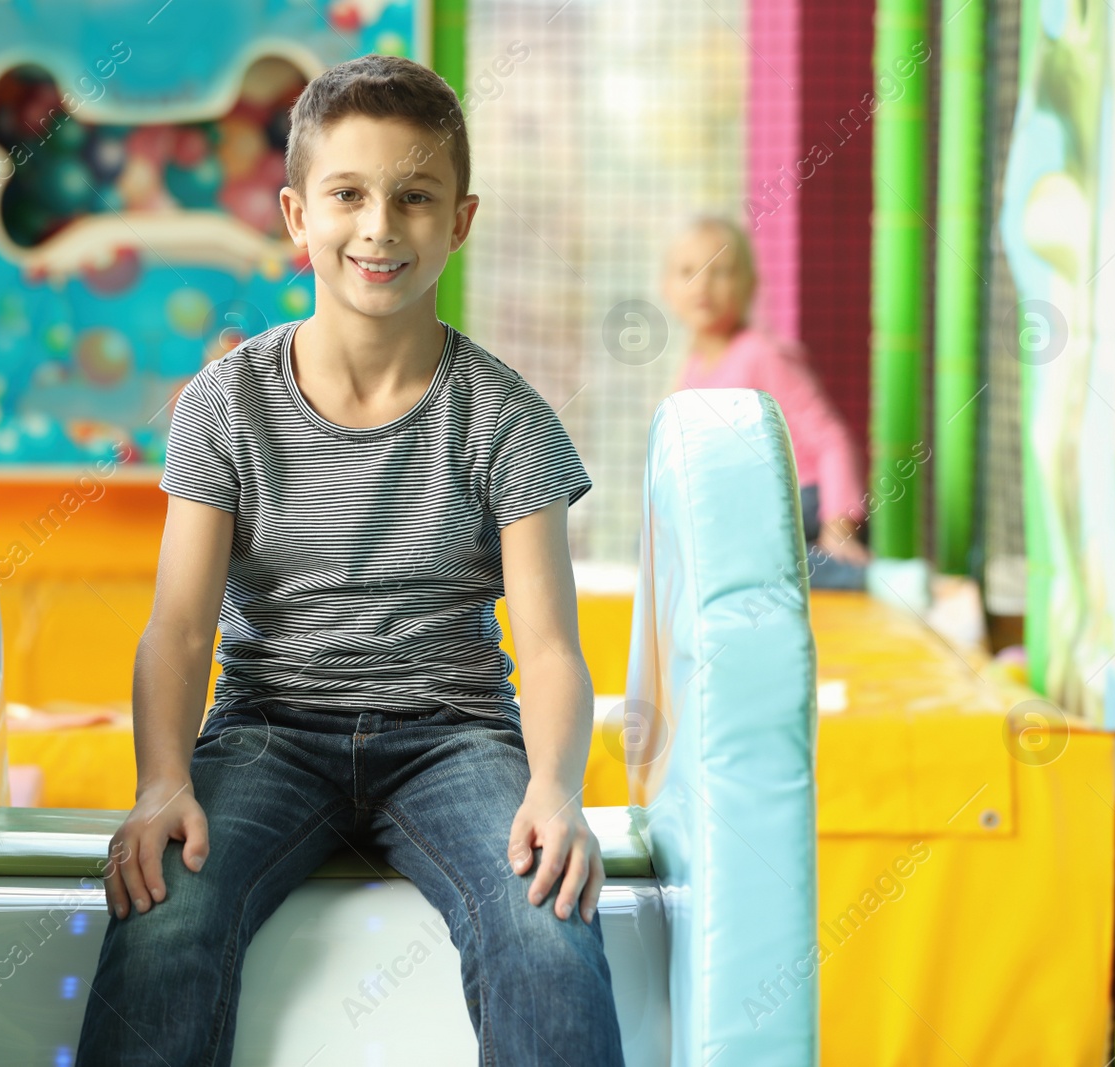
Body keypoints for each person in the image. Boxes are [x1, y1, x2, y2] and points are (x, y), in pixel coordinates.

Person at [76, 55, 625, 1066]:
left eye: (413, 198)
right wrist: (162, 780)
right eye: (348, 195)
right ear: (296, 216)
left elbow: (547, 647)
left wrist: (554, 787)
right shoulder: (224, 403)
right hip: (269, 731)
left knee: (545, 924)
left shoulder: (505, 418)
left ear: (457, 221)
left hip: (452, 735)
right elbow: (182, 625)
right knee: (164, 913)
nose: (379, 226)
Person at [663, 215, 871, 588]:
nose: (704, 284)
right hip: (752, 509)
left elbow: (830, 438)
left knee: (732, 554)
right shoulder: (692, 369)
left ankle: (871, 578)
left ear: (750, 285)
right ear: (667, 288)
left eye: (722, 272)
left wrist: (838, 526)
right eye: (687, 271)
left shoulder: (762, 355)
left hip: (802, 497)